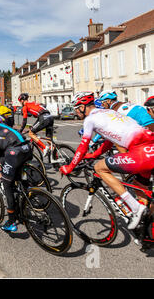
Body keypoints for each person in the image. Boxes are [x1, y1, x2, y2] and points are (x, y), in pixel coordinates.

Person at [59, 92, 154, 230]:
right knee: (141, 189)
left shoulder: (90, 120)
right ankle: (148, 231)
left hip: (141, 154)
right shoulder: (109, 113)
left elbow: (83, 146)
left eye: (76, 108)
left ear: (83, 107)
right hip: (150, 148)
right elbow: (111, 139)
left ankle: (135, 209)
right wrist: (95, 154)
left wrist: (70, 167)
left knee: (99, 168)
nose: (75, 111)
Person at [18, 93, 54, 157]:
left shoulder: (25, 106)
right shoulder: (34, 103)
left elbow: (24, 121)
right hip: (50, 117)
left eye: (20, 102)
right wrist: (33, 126)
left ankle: (44, 148)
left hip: (43, 118)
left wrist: (20, 131)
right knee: (49, 140)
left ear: (22, 101)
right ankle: (55, 158)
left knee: (31, 133)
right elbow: (38, 115)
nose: (20, 103)